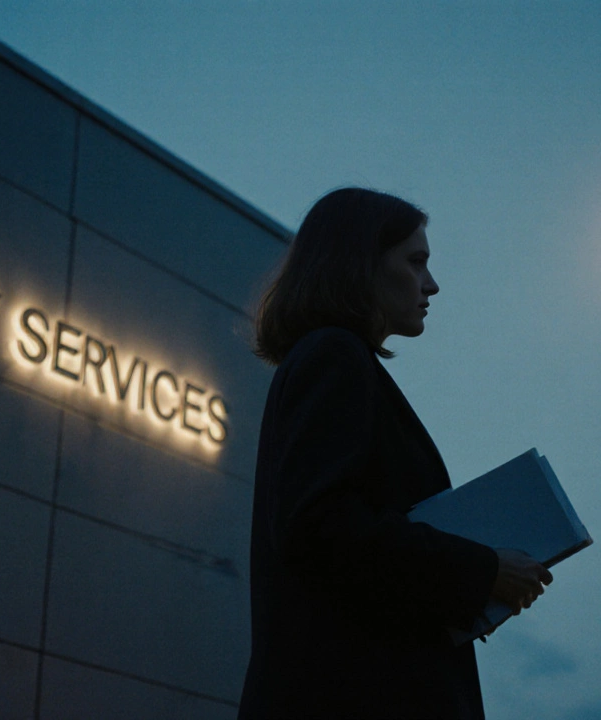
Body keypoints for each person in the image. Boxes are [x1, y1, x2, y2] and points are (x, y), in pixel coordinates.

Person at [239, 188, 553, 719]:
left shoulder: (333, 359)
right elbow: (321, 527)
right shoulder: (334, 357)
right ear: (359, 263)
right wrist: (482, 571)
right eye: (415, 262)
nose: (431, 284)